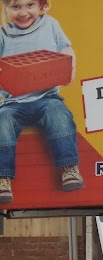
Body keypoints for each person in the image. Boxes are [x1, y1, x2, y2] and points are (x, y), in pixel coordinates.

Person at [0, 0, 82, 203]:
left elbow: (66, 50)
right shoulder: (2, 34)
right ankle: (3, 177)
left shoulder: (50, 24)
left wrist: (69, 69)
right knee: (2, 122)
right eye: (16, 7)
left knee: (59, 115)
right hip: (13, 102)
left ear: (41, 5)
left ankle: (69, 167)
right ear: (5, 8)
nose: (23, 12)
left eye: (30, 5)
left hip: (47, 96)